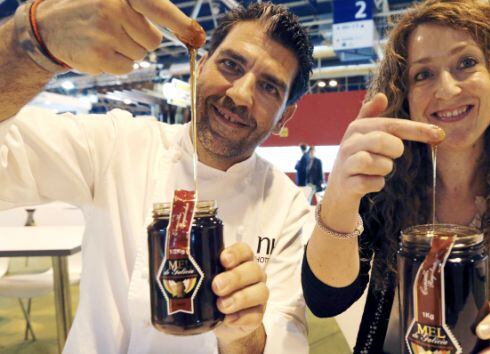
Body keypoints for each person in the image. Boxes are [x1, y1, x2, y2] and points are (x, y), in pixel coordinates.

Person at [0, 1, 313, 353]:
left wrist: (243, 334)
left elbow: (285, 339)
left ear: (285, 116)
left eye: (269, 87)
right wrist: (31, 39)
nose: (240, 95)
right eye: (230, 65)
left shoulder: (287, 207)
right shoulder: (118, 144)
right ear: (202, 64)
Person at [302, 1, 490, 353]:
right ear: (405, 94)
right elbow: (327, 300)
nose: (446, 90)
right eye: (423, 74)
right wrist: (340, 195)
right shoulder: (384, 181)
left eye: (467, 63)